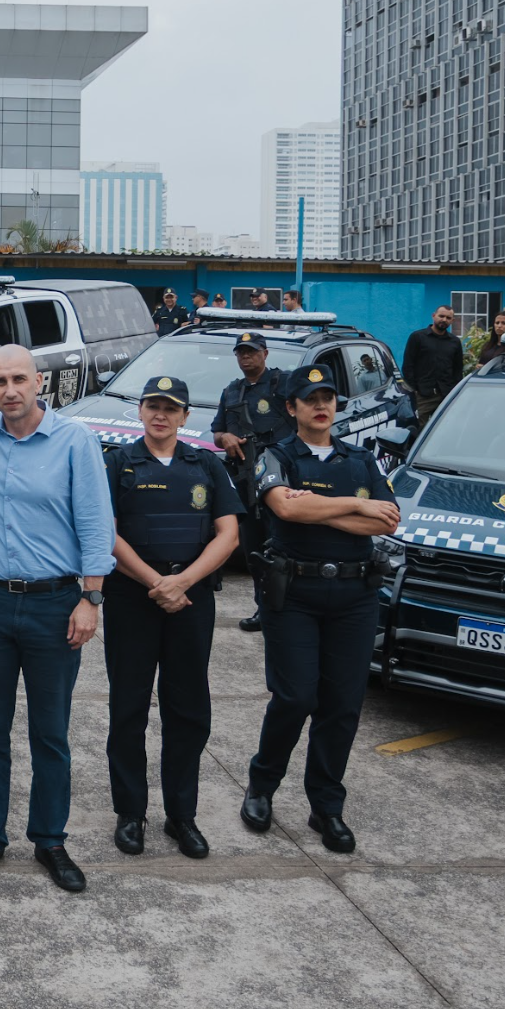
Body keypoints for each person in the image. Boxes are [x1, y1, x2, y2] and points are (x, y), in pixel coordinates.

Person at [0, 346, 112, 892]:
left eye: (20, 378)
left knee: (50, 732)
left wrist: (91, 599)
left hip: (54, 604)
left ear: (39, 382)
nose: (10, 389)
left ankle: (50, 840)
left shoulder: (74, 441)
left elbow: (95, 522)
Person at [238, 363, 400, 855]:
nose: (321, 405)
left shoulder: (361, 459)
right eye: (310, 399)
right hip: (296, 596)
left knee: (343, 705)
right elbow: (285, 510)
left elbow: (387, 521)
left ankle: (326, 805)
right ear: (292, 408)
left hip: (354, 597)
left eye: (327, 397)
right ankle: (262, 786)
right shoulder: (277, 454)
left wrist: (329, 508)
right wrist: (356, 506)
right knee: (295, 698)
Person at [102, 375, 242, 861]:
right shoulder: (118, 463)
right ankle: (130, 813)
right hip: (132, 600)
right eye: (152, 406)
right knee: (129, 708)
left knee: (187, 711)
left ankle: (182, 815)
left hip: (190, 602)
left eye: (170, 408)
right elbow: (107, 534)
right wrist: (154, 583)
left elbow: (228, 535)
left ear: (185, 416)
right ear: (140, 412)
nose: (160, 414)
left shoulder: (205, 464)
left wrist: (181, 583)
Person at [210, 332, 294, 632]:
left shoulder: (284, 384)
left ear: (265, 354)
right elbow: (217, 433)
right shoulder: (231, 392)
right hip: (246, 482)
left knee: (285, 545)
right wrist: (226, 438)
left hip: (283, 480)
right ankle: (264, 608)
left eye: (252, 351)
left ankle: (290, 608)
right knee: (254, 549)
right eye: (241, 352)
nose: (246, 357)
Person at [401, 304, 466, 419]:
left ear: (452, 321)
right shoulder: (417, 337)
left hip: (446, 395)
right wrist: (415, 390)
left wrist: (454, 392)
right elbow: (408, 366)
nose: (444, 320)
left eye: (448, 318)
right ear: (433, 316)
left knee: (445, 428)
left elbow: (457, 370)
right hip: (423, 395)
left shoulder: (454, 342)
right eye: (441, 316)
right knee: (421, 429)